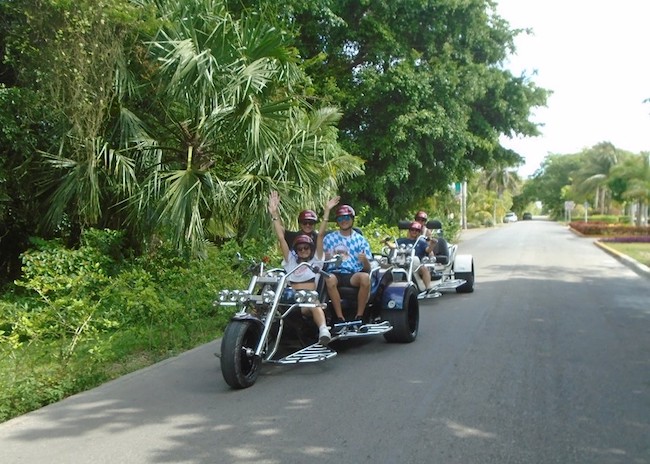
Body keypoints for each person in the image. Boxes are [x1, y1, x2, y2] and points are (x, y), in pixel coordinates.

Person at [269, 195, 344, 345]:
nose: (303, 250)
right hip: (289, 298)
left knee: (314, 304)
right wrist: (274, 213)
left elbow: (321, 235)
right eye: (300, 248)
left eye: (306, 247)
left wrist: (327, 211)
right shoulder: (290, 260)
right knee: (266, 298)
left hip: (306, 300)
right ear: (296, 250)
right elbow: (281, 237)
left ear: (311, 248)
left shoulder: (316, 260)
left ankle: (324, 330)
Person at [323, 204, 372, 324]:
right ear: (337, 221)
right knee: (329, 279)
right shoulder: (329, 238)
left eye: (346, 218)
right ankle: (340, 317)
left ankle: (359, 316)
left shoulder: (360, 240)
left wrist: (364, 260)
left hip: (353, 274)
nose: (343, 221)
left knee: (365, 278)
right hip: (335, 272)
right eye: (340, 219)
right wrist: (326, 257)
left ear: (352, 219)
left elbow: (368, 268)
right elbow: (321, 260)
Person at [393, 221, 437, 290]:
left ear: (419, 232)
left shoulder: (421, 241)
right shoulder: (401, 240)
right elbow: (393, 246)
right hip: (402, 262)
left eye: (417, 230)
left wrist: (432, 244)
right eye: (412, 229)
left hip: (417, 264)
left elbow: (428, 250)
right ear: (409, 230)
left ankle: (428, 288)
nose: (414, 231)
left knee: (424, 269)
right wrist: (386, 242)